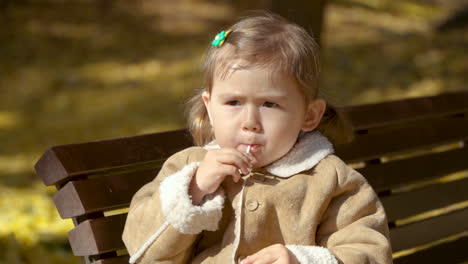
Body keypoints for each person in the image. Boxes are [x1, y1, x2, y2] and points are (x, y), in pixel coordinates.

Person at [122, 12, 392, 264]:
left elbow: (369, 251)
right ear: (209, 108)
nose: (250, 122)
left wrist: (301, 259)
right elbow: (141, 250)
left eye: (270, 104)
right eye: (233, 102)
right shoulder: (187, 168)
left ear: (309, 115)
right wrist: (193, 191)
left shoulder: (331, 179)